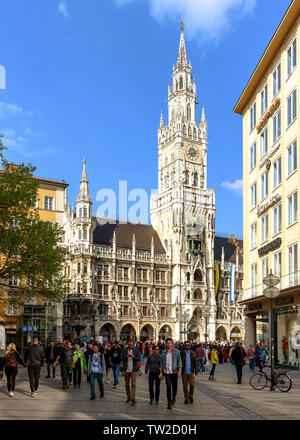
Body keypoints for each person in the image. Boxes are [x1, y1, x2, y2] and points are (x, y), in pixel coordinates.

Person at [159, 337, 182, 410]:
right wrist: (161, 373)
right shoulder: (163, 353)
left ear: (172, 344)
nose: (169, 344)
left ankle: (173, 398)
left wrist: (180, 371)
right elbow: (162, 364)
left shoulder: (177, 352)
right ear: (166, 344)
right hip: (167, 373)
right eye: (168, 343)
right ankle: (169, 403)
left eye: (170, 343)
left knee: (174, 388)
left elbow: (180, 361)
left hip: (174, 372)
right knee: (168, 388)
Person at [120, 338, 141, 406]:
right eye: (129, 344)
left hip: (133, 369)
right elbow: (121, 358)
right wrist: (126, 356)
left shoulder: (136, 350)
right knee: (127, 384)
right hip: (126, 369)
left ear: (133, 344)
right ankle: (128, 397)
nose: (130, 345)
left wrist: (133, 356)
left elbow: (138, 359)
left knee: (133, 384)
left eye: (131, 344)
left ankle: (133, 398)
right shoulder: (124, 350)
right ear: (127, 344)